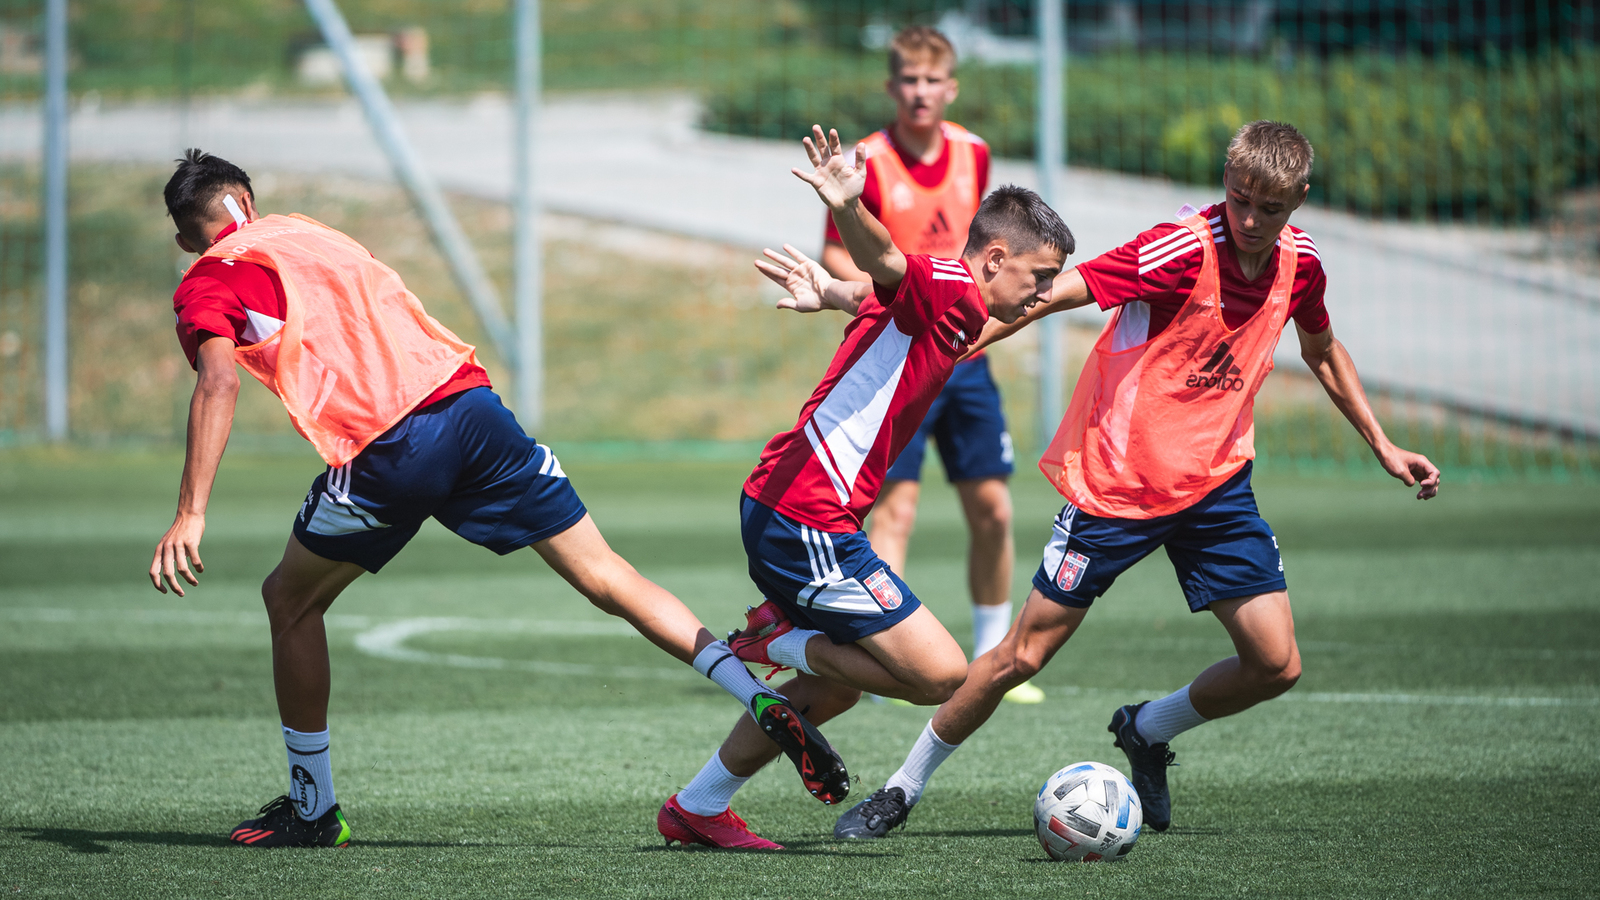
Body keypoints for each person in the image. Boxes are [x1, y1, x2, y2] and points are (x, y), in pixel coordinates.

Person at [148, 150, 843, 849]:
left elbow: (219, 381)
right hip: (471, 405)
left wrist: (191, 512)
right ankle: (755, 695)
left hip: (391, 443)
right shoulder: (307, 231)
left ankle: (312, 808)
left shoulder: (207, 278)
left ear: (184, 237)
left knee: (289, 600)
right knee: (609, 575)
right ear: (248, 201)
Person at [832, 120, 1442, 841]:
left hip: (1217, 487)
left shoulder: (1300, 264)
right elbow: (1049, 295)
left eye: (1269, 208)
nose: (1249, 219)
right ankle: (900, 790)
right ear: (1226, 180)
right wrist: (935, 347)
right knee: (1021, 656)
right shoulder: (1179, 249)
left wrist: (1382, 444)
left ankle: (1147, 730)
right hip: (1116, 490)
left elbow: (1323, 349)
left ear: (1300, 199)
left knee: (1276, 664)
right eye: (1239, 199)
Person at [654, 126, 1072, 850]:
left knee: (840, 687)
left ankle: (698, 806)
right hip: (806, 518)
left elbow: (874, 291)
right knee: (941, 673)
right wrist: (848, 205)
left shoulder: (949, 308)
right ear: (994, 259)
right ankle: (782, 641)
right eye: (1038, 276)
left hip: (789, 509)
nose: (1041, 291)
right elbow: (885, 262)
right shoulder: (947, 286)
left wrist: (830, 293)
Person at [818, 26, 1040, 704]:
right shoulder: (870, 159)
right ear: (892, 87)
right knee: (897, 510)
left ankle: (995, 659)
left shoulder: (974, 152)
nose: (919, 92)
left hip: (964, 356)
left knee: (993, 507)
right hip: (900, 358)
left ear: (951, 88)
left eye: (931, 80)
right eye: (908, 80)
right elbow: (836, 254)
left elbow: (989, 250)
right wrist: (896, 296)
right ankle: (882, 652)